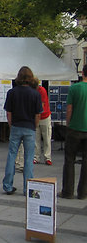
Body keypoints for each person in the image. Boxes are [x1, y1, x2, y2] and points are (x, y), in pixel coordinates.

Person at [2, 66, 42, 195]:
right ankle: (27, 188)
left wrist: (11, 124)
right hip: (29, 127)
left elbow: (9, 112)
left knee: (12, 155)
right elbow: (38, 114)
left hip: (16, 126)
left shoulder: (12, 92)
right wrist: (34, 127)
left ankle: (8, 185)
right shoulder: (35, 93)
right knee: (29, 158)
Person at [60, 65, 87, 199]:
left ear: (82, 73)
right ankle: (83, 193)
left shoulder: (75, 88)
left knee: (70, 159)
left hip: (75, 128)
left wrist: (68, 124)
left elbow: (69, 108)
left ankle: (68, 191)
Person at [33, 78, 52, 165]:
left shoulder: (42, 91)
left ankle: (47, 157)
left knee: (46, 138)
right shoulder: (32, 91)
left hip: (44, 117)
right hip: (37, 116)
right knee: (36, 139)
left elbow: (42, 106)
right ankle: (36, 157)